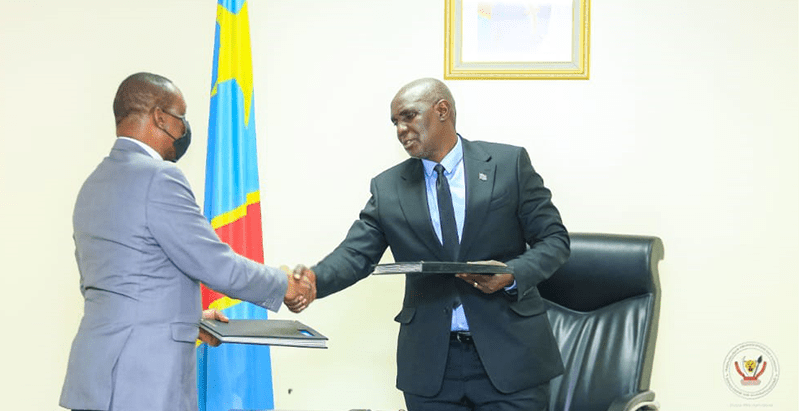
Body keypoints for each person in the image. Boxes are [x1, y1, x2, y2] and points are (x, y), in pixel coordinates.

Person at [296, 78, 569, 411]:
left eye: (409, 115)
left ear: (443, 110)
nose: (401, 129)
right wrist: (312, 280)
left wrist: (512, 274)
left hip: (511, 358)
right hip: (431, 368)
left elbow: (554, 240)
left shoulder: (508, 165)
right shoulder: (389, 188)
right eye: (395, 122)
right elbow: (356, 254)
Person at [59, 72, 314, 411]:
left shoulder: (92, 185)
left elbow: (118, 283)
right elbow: (215, 264)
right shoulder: (160, 176)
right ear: (160, 117)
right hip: (143, 383)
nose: (183, 130)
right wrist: (284, 283)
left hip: (94, 377)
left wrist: (183, 317)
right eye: (181, 118)